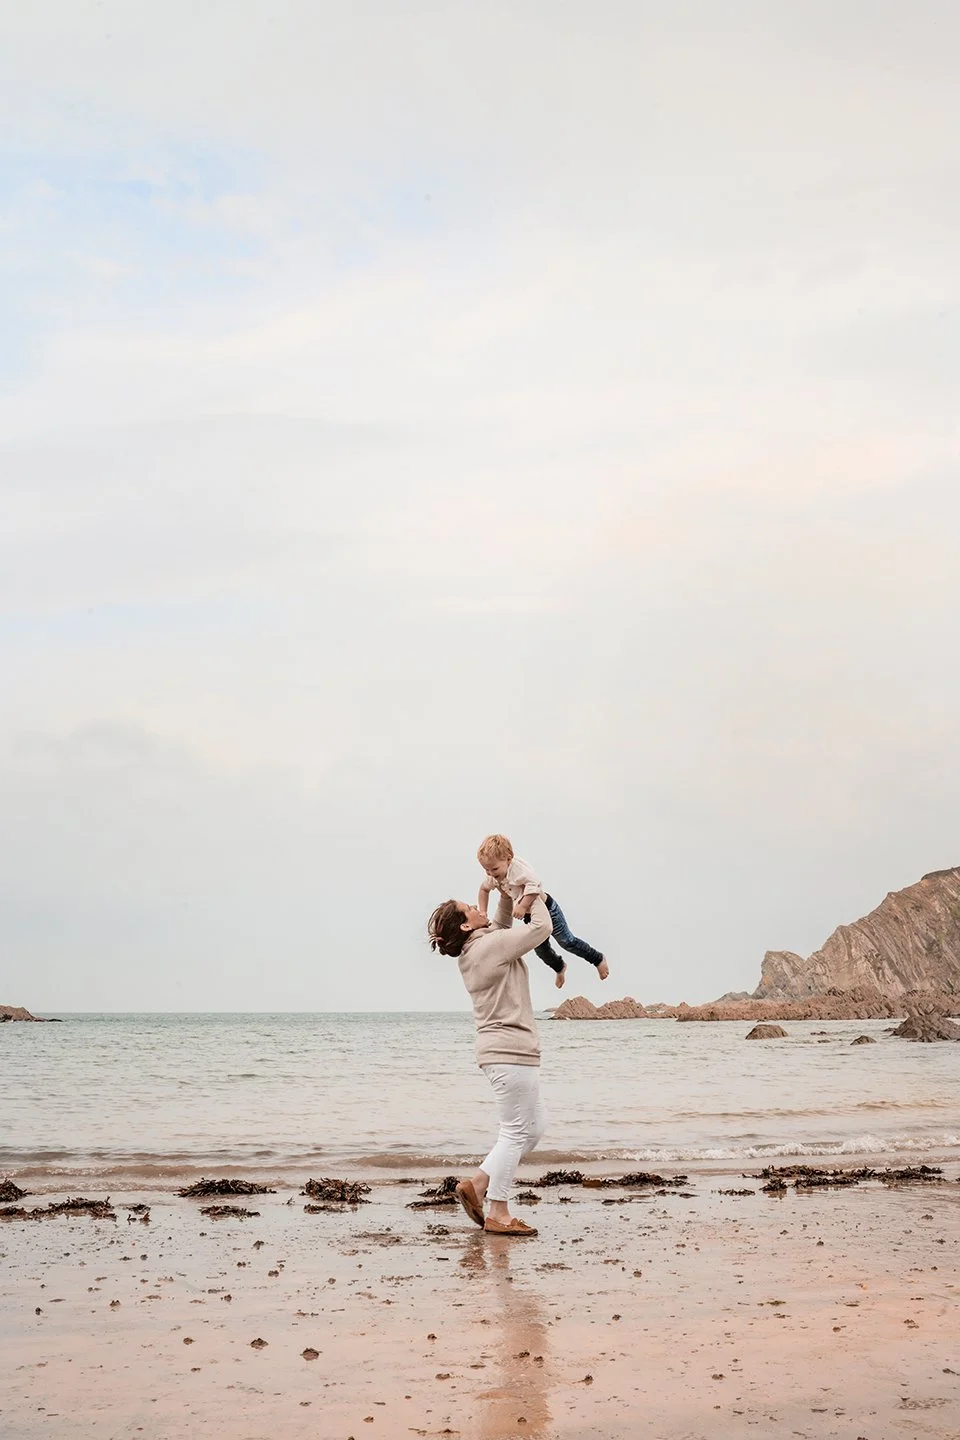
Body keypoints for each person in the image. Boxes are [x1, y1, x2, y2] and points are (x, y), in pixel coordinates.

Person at [428, 887, 552, 1237]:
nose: (475, 905)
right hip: (510, 1052)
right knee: (514, 1132)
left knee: (535, 1126)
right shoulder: (488, 948)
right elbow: (540, 929)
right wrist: (532, 890)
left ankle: (479, 1181)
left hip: (508, 1052)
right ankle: (498, 1210)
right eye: (469, 908)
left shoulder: (477, 947)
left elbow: (498, 921)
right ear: (466, 927)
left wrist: (501, 890)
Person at [476, 833, 610, 989]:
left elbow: (535, 886)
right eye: (486, 870)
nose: (491, 873)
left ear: (508, 859)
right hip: (530, 918)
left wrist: (523, 906)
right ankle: (559, 967)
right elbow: (483, 890)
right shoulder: (494, 876)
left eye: (494, 869)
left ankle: (598, 959)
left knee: (567, 941)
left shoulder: (518, 870)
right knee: (541, 951)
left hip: (548, 909)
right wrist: (483, 912)